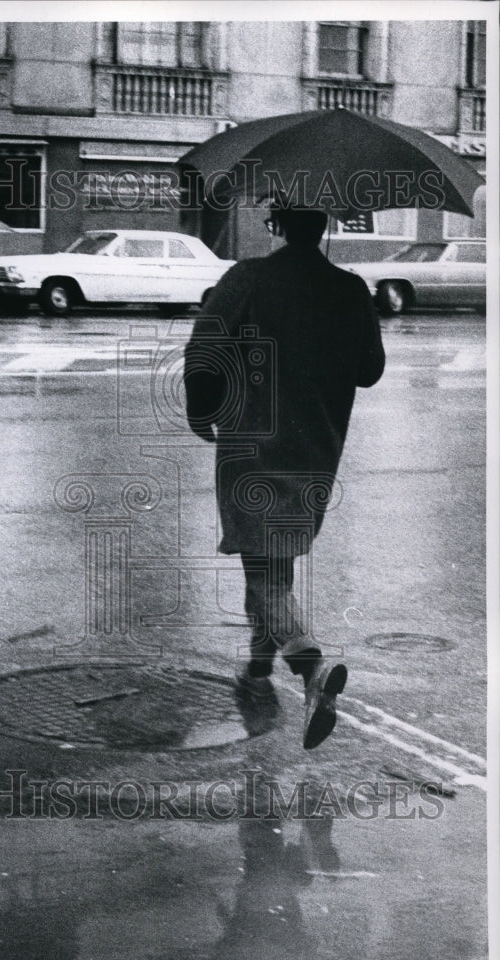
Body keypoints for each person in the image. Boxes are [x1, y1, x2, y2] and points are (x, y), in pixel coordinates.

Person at [184, 204, 385, 749]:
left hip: (252, 446)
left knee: (264, 574)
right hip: (316, 449)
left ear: (276, 224)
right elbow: (370, 370)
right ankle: (255, 671)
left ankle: (311, 668)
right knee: (276, 566)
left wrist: (201, 413)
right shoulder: (350, 288)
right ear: (324, 228)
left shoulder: (247, 278)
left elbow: (202, 353)